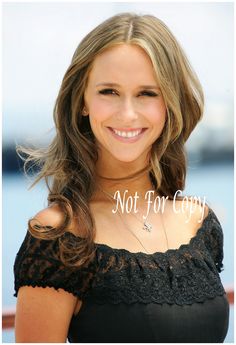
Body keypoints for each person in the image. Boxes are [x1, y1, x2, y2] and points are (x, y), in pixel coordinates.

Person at [14, 12, 229, 343]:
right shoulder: (59, 238)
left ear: (170, 103)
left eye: (147, 93)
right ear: (82, 101)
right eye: (109, 91)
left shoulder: (199, 223)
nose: (127, 114)